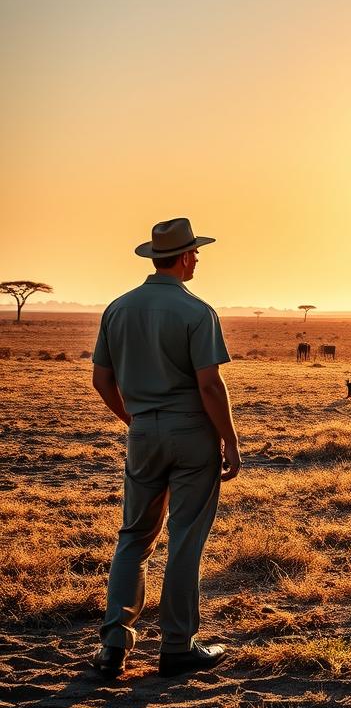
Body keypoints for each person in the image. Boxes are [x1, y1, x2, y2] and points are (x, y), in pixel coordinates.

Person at [90, 218, 242, 678]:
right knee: (185, 540)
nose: (196, 258)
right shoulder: (198, 311)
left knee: (134, 538)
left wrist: (133, 419)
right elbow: (210, 385)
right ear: (183, 257)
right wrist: (230, 443)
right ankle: (178, 645)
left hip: (143, 435)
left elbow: (101, 379)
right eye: (194, 252)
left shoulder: (117, 309)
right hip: (192, 435)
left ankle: (115, 643)